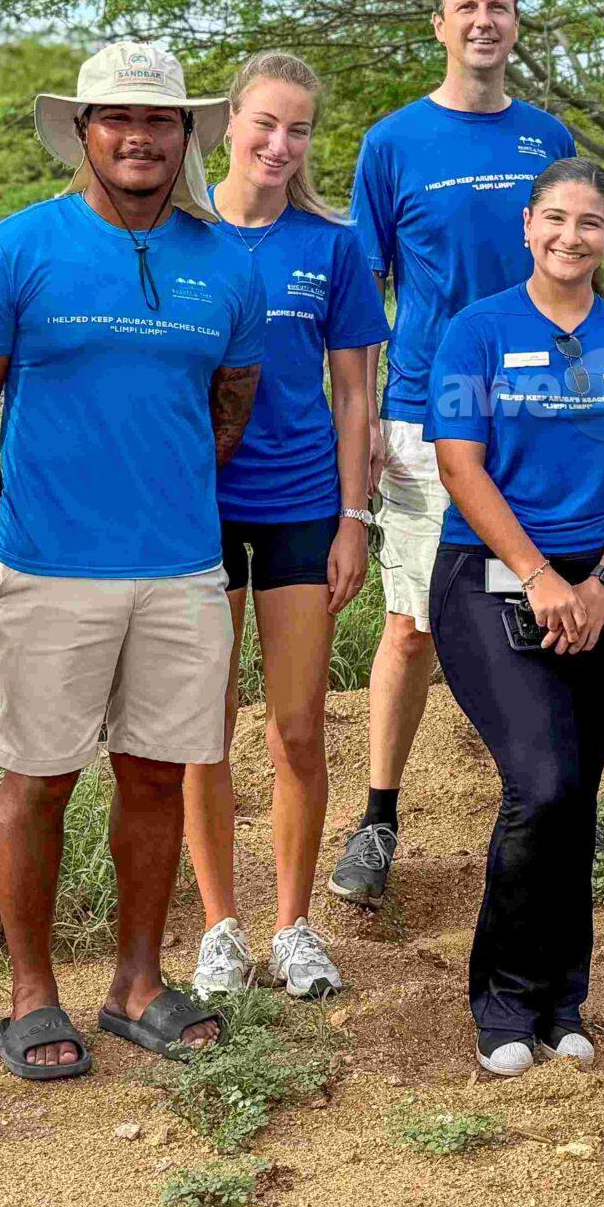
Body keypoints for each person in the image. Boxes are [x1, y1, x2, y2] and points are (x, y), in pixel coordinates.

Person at [0, 42, 265, 1080]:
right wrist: (9, 539)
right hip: (50, 567)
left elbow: (229, 405)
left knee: (158, 776)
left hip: (180, 566)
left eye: (160, 121)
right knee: (37, 782)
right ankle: (30, 996)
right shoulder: (11, 254)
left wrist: (156, 491)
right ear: (81, 131)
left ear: (186, 136)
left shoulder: (225, 261)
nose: (139, 137)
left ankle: (135, 983)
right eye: (117, 119)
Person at [425, 159, 604, 1075]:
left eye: (592, 224)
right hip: (492, 577)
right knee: (538, 785)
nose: (572, 238)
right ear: (528, 226)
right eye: (556, 220)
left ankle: (563, 1002)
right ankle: (503, 1002)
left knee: (575, 793)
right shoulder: (478, 331)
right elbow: (462, 465)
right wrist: (539, 576)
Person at [330, 0, 578, 912]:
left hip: (536, 414)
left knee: (538, 604)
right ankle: (380, 819)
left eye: (500, 7)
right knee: (413, 626)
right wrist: (364, 443)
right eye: (467, 7)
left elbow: (571, 262)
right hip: (427, 414)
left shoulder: (546, 136)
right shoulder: (394, 142)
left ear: (517, 25)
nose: (484, 21)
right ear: (439, 26)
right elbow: (361, 301)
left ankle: (542, 807)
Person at [182, 53, 390, 1001]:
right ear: (229, 123)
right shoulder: (182, 232)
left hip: (306, 505)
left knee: (299, 728)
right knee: (205, 726)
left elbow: (355, 393)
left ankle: (293, 924)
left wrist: (356, 517)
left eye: (298, 129)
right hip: (198, 510)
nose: (279, 144)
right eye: (264, 123)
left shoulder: (334, 244)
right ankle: (220, 924)